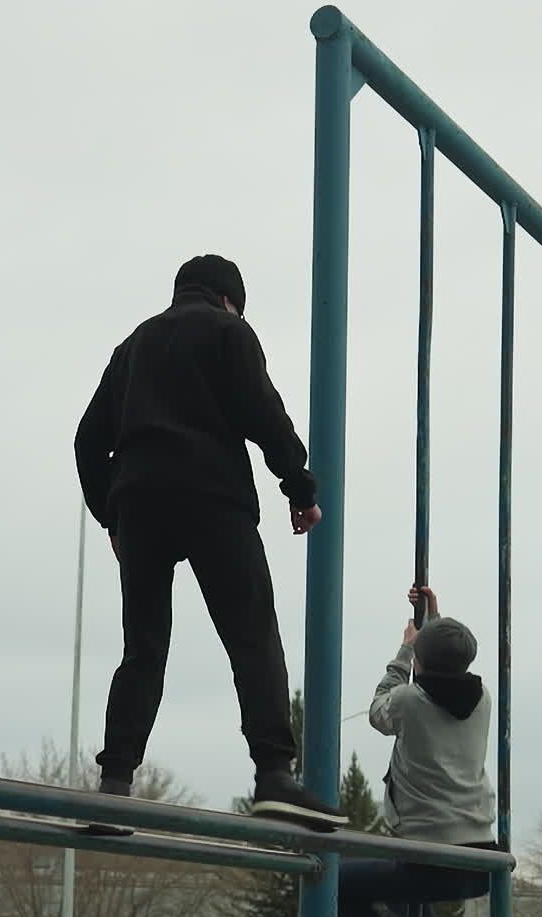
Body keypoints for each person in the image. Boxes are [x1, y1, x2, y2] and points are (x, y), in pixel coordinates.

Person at [74, 254, 346, 831]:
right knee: (251, 635)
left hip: (141, 503)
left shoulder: (131, 347)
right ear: (229, 298)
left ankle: (114, 785)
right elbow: (262, 412)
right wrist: (300, 488)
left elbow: (86, 440)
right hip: (211, 496)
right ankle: (274, 774)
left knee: (142, 648)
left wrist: (111, 519)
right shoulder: (229, 330)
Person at [339, 585, 495, 917]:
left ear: (422, 662)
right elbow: (447, 670)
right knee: (399, 871)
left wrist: (404, 652)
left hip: (433, 861)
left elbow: (378, 710)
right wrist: (432, 626)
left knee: (335, 883)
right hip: (481, 859)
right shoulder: (483, 701)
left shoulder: (409, 701)